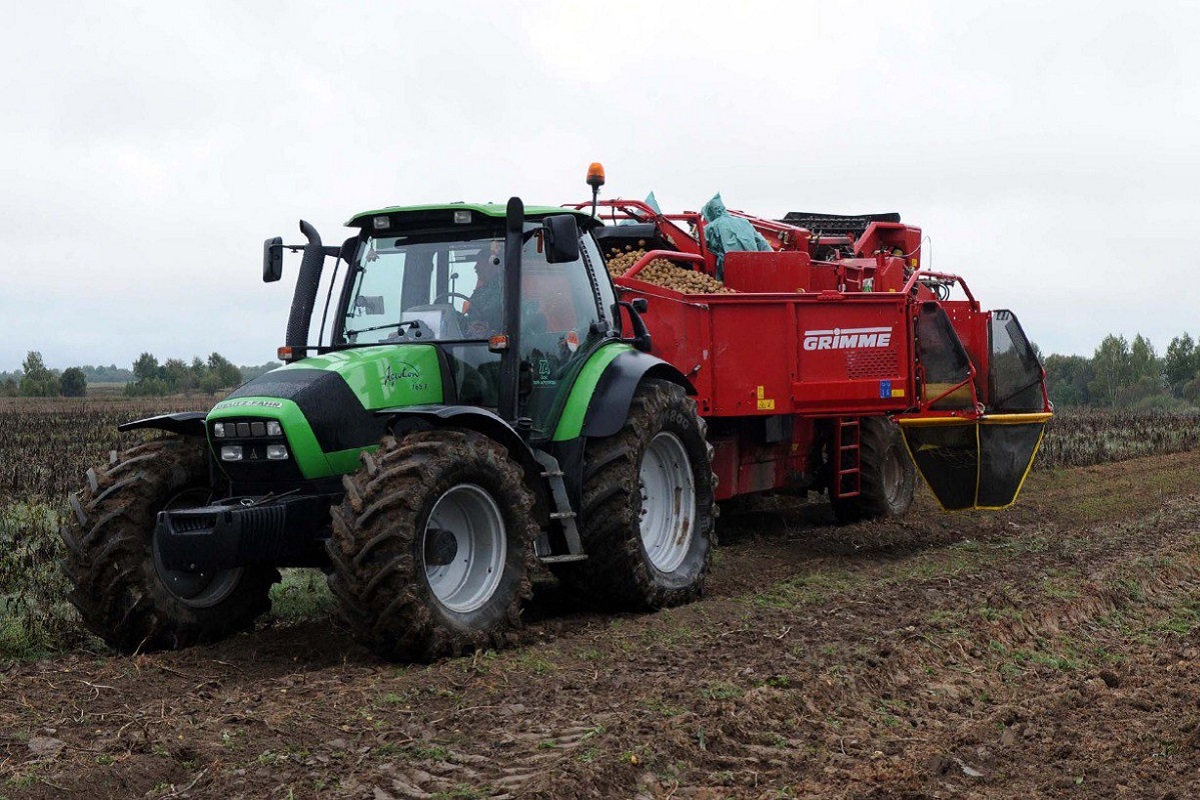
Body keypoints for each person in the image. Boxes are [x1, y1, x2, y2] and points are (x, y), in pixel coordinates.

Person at [701, 193, 773, 281]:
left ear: (710, 213)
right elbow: (762, 243)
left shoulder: (711, 227)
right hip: (753, 264)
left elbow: (704, 247)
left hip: (729, 267)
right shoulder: (744, 222)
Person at [465, 239, 504, 335]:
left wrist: (465, 319)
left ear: (492, 264)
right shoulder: (483, 289)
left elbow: (487, 313)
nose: (475, 267)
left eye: (479, 263)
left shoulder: (501, 287)